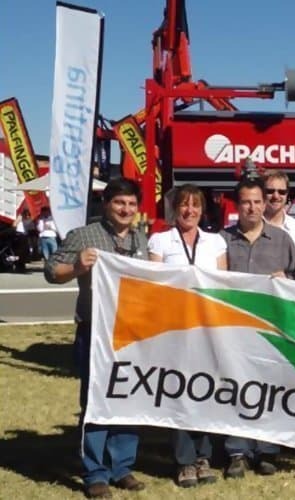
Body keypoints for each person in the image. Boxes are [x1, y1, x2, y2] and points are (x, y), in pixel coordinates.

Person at [44, 179, 149, 499]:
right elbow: (51, 271)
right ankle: (95, 471)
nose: (126, 210)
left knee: (128, 398)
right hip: (96, 332)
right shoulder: (84, 236)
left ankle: (122, 467)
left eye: (131, 204)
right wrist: (76, 267)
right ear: (107, 204)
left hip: (131, 333)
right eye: (120, 203)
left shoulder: (140, 238)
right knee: (96, 401)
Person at [220, 176, 295, 479]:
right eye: (246, 202)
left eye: (257, 201)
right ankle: (237, 452)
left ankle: (268, 451)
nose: (252, 207)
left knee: (269, 389)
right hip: (235, 330)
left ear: (265, 203)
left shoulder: (282, 240)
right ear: (237, 205)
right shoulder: (222, 240)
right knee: (235, 390)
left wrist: (288, 282)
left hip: (271, 330)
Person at [147, 184, 226, 487]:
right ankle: (184, 461)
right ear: (174, 209)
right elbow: (154, 284)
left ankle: (203, 456)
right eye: (184, 205)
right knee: (178, 392)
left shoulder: (216, 242)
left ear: (203, 210)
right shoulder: (160, 240)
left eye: (195, 205)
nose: (189, 210)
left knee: (204, 390)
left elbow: (224, 285)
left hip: (207, 329)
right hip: (174, 329)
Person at [262, 169, 295, 256]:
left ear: (287, 194)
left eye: (281, 192)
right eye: (270, 191)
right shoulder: (251, 227)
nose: (276, 196)